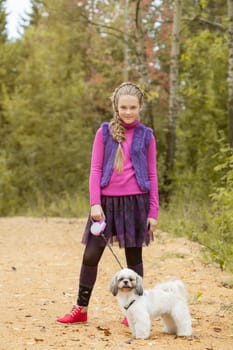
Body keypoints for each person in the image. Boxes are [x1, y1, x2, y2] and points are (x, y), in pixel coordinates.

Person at [57, 82, 159, 325]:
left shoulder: (147, 136)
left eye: (133, 107)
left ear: (140, 107)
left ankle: (135, 311)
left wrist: (153, 211)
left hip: (136, 203)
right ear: (116, 107)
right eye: (123, 107)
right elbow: (94, 170)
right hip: (105, 205)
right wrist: (95, 203)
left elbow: (153, 175)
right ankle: (81, 308)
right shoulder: (104, 132)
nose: (128, 112)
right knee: (91, 255)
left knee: (134, 259)